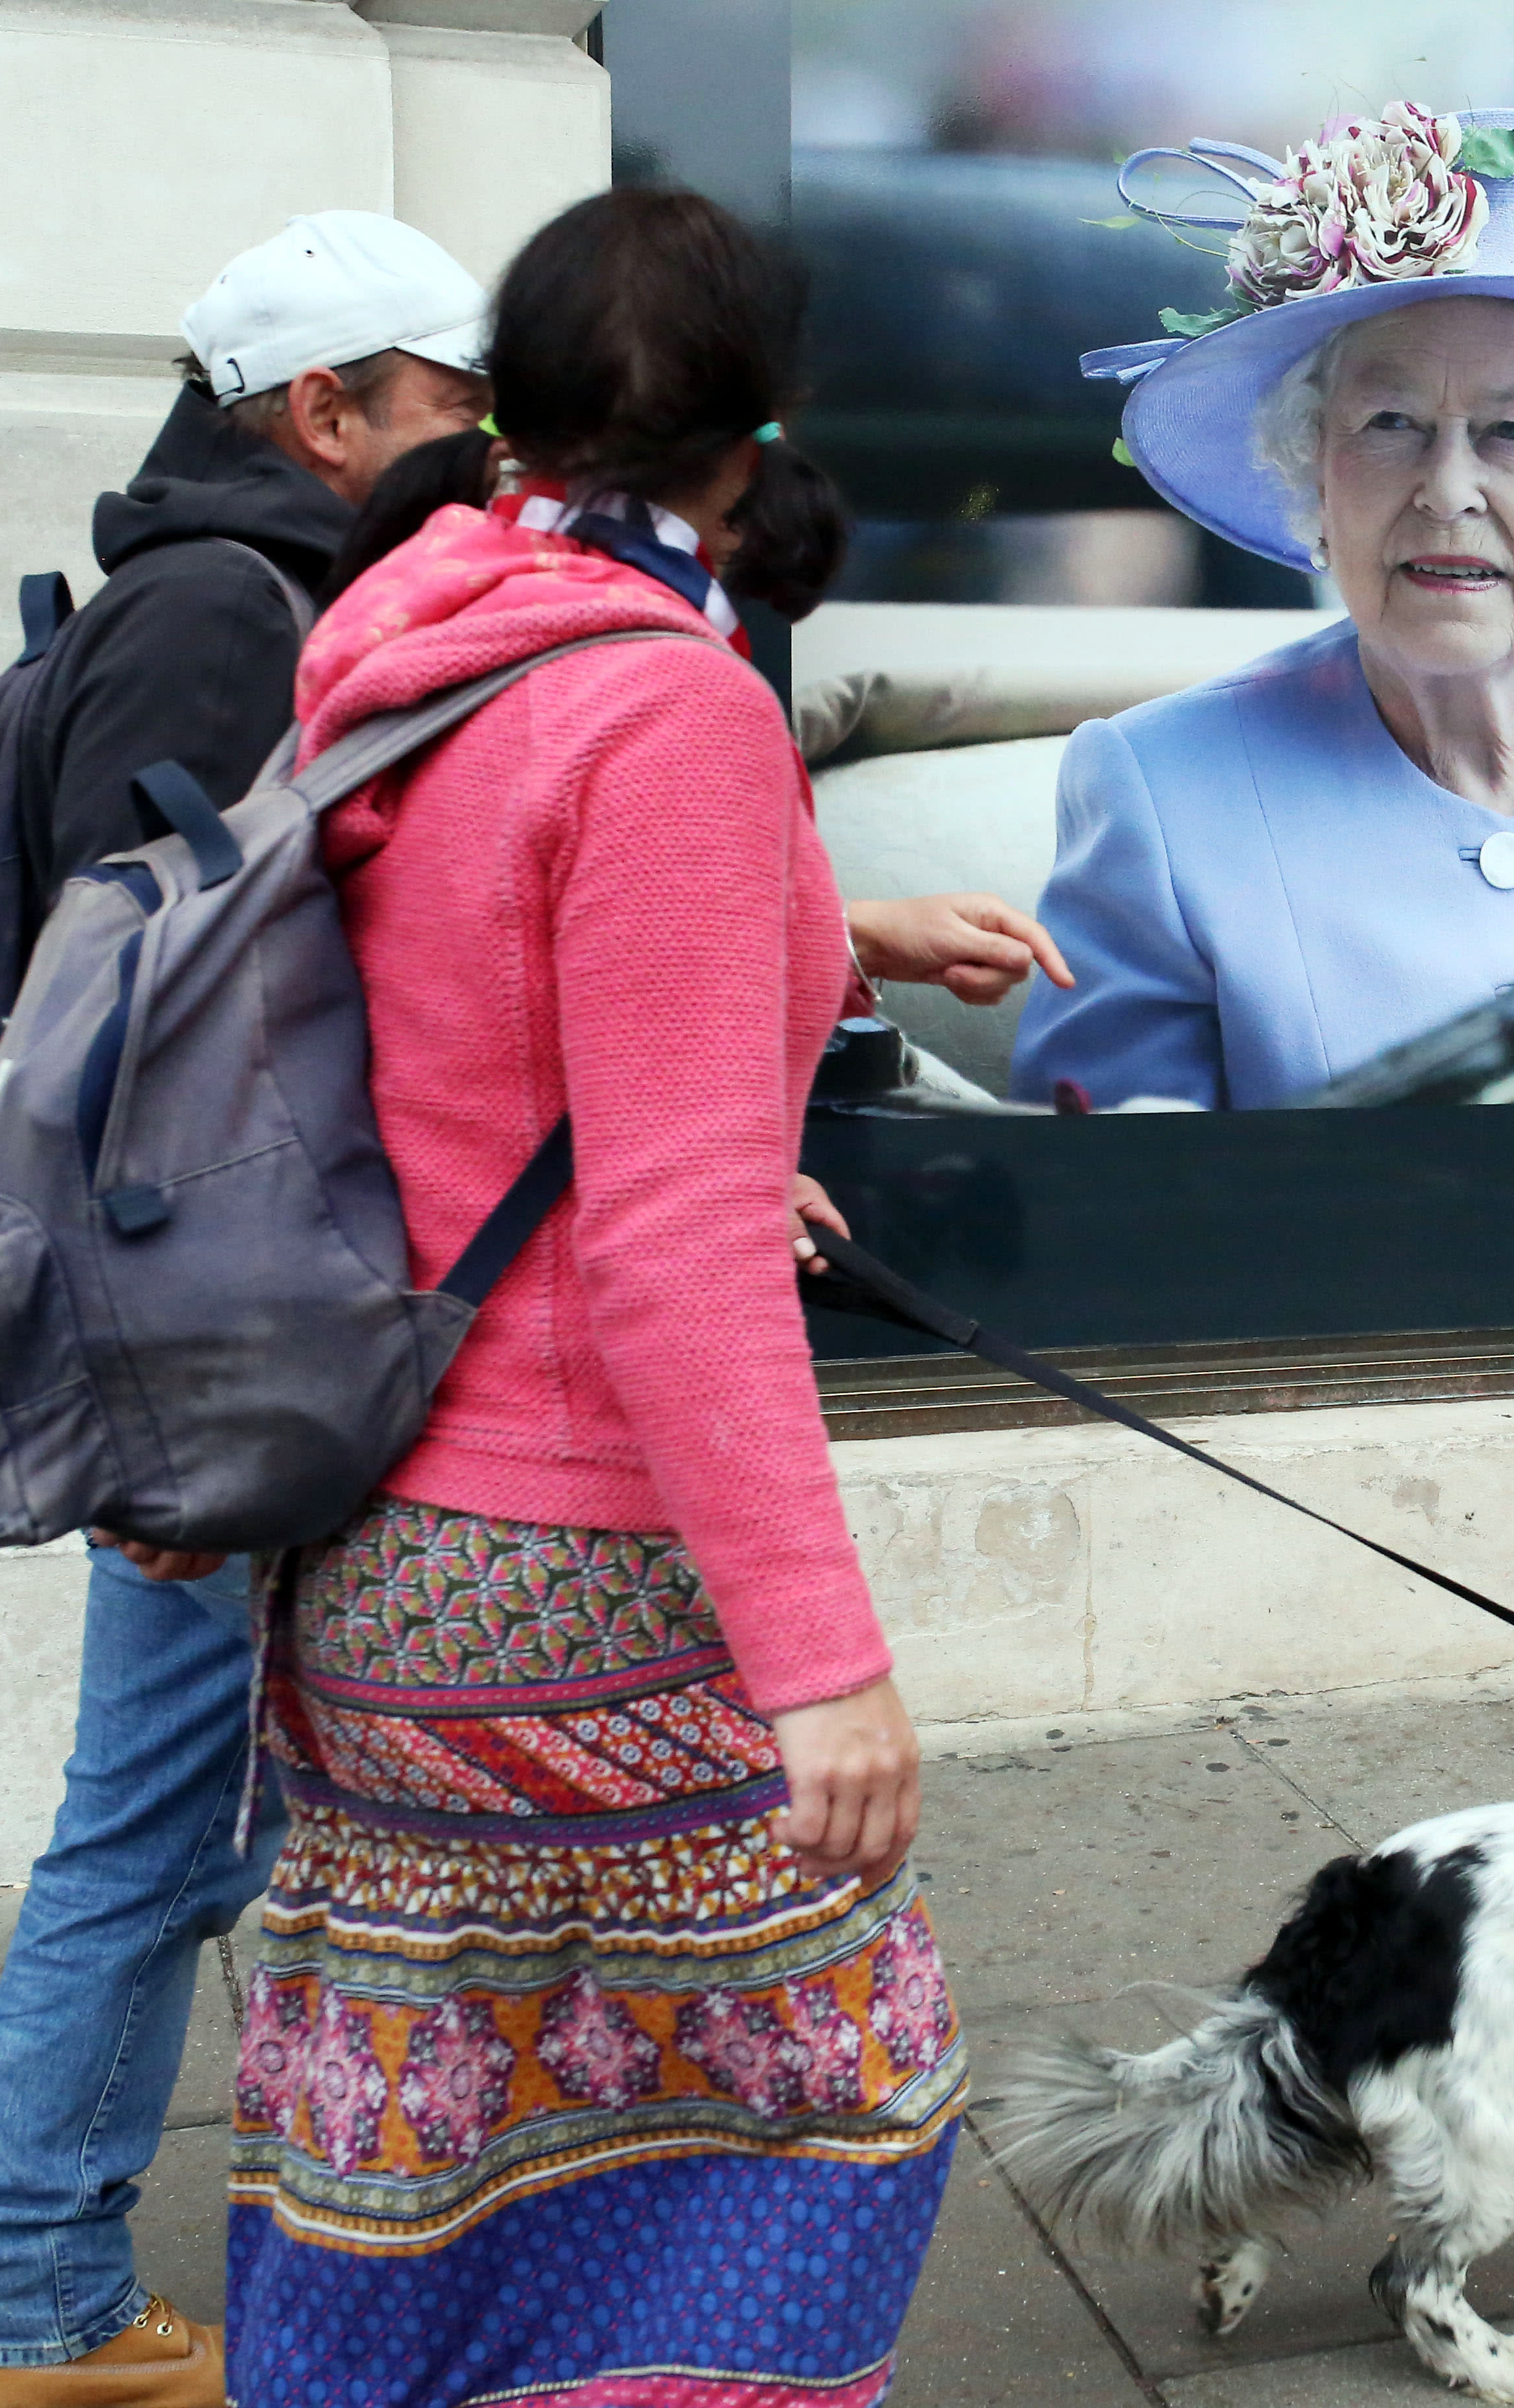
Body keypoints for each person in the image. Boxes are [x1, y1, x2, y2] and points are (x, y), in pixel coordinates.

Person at [221, 187, 1012, 2407]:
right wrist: (824, 1665)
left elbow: (483, 1010)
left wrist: (809, 966)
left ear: (514, 410)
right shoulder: (662, 706)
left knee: (423, 2120)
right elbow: (667, 1244)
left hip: (372, 1553)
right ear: (753, 434)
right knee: (840, 2096)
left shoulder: (427, 626)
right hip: (569, 1559)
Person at [0, 211, 494, 2408]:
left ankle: (207, 2250)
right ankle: (37, 2310)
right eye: (451, 407)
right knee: (155, 1825)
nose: (486, 450)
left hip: (251, 1332)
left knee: (218, 1820)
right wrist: (166, 1423)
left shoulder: (270, 594)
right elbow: (124, 1047)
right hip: (218, 1354)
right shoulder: (220, 617)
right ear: (322, 406)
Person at [1010, 106, 1514, 1110]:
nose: (1446, 490)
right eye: (1391, 423)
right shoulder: (1160, 796)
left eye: (1513, 432)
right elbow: (1111, 1211)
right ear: (1316, 481)